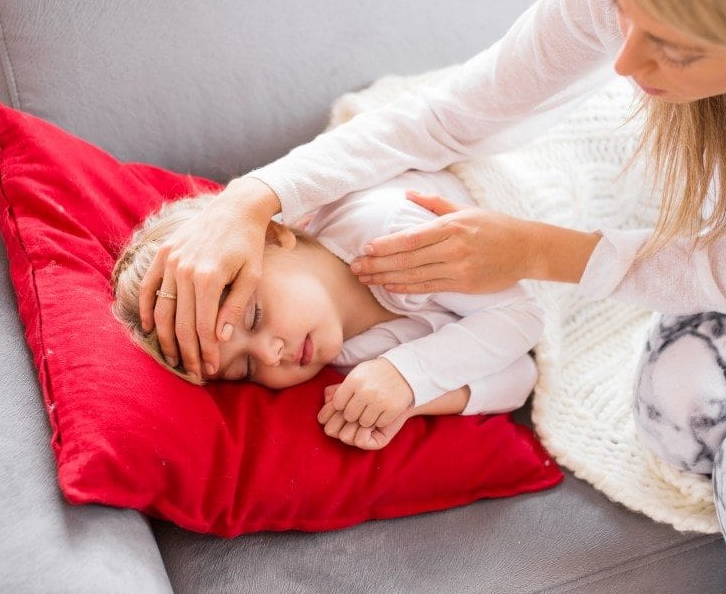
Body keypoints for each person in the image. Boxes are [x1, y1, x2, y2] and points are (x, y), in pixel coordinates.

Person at [137, 0, 726, 594]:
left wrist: (538, 256)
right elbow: (456, 115)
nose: (623, 67)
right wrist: (249, 199)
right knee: (681, 420)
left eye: (674, 50)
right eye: (623, 13)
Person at [112, 170, 543, 451]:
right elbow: (521, 374)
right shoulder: (346, 354)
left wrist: (409, 374)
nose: (267, 355)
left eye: (253, 316)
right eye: (244, 369)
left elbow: (527, 315)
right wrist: (407, 399)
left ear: (276, 237)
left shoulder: (388, 232)